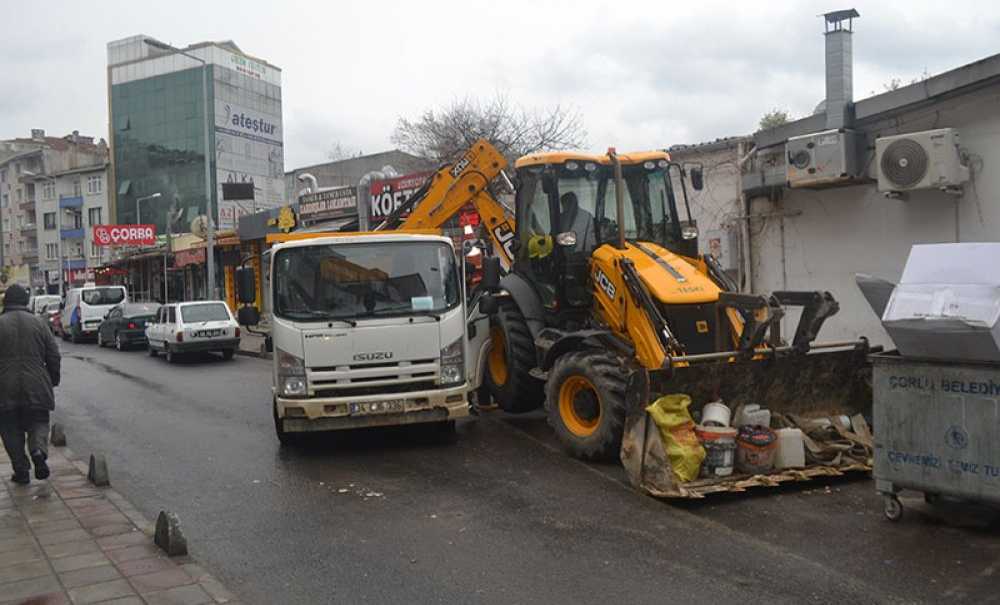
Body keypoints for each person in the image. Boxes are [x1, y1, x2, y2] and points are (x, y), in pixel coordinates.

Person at [0, 284, 61, 485]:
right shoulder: (39, 324)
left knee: (10, 429)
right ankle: (37, 451)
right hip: (37, 384)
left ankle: (22, 471)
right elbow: (53, 355)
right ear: (25, 302)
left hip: (5, 388)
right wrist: (52, 379)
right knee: (39, 422)